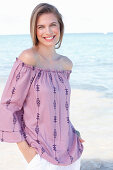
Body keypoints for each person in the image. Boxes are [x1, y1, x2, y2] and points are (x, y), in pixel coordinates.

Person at [0, 3, 85, 170]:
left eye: (53, 25)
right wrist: (27, 151)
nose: (48, 31)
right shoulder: (28, 58)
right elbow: (8, 106)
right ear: (35, 30)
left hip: (71, 154)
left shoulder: (66, 64)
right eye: (41, 27)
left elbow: (59, 107)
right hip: (40, 156)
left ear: (60, 27)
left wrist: (74, 133)